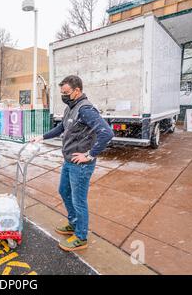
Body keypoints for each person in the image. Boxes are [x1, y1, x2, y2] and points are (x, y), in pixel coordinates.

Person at [31, 75, 114, 252]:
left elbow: (106, 133)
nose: (63, 95)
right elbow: (62, 128)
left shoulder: (85, 109)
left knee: (79, 201)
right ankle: (74, 224)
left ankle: (81, 236)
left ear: (77, 91)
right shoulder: (71, 107)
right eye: (62, 92)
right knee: (64, 191)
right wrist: (42, 137)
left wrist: (90, 155)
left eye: (66, 92)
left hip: (81, 165)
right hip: (69, 161)